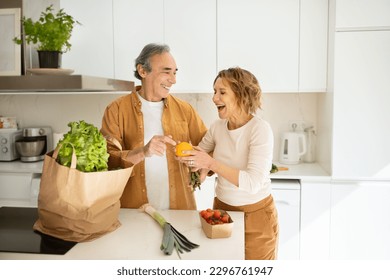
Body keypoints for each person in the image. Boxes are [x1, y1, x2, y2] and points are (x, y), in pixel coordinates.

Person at [178, 67, 279, 259]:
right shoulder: (217, 127)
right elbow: (200, 154)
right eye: (214, 92)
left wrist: (210, 163)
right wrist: (191, 161)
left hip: (256, 217)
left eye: (222, 92)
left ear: (242, 95)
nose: (215, 98)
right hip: (222, 213)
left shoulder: (260, 129)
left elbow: (252, 183)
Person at [100, 43, 207, 210]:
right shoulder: (116, 110)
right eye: (166, 72)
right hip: (133, 212)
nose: (173, 80)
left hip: (179, 211)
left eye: (174, 72)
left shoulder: (185, 110)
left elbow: (208, 149)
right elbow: (107, 161)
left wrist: (202, 166)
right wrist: (143, 152)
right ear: (143, 71)